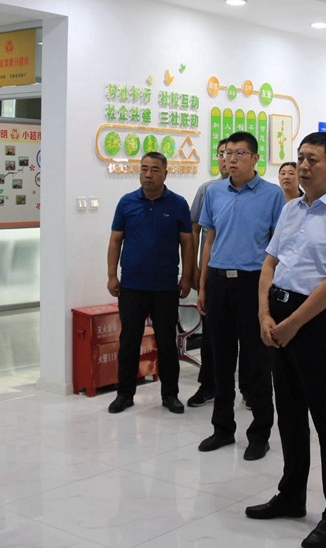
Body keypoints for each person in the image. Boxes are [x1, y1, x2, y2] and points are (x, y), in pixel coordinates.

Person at [246, 132, 326, 548]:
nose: (304, 166)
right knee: (290, 412)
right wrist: (264, 313)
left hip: (316, 321)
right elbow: (270, 263)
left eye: (313, 159)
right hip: (279, 314)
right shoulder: (291, 208)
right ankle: (292, 495)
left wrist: (293, 323)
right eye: (300, 158)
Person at [197, 131, 284, 461]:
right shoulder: (213, 192)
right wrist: (203, 285)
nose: (230, 159)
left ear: (255, 158)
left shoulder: (272, 195)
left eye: (239, 153)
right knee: (220, 360)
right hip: (219, 282)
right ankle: (222, 429)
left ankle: (259, 434)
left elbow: (278, 247)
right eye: (226, 153)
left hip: (253, 283)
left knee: (256, 362)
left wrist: (270, 292)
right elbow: (209, 239)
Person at [106, 152, 192, 414]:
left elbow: (187, 243)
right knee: (129, 341)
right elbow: (115, 240)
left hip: (165, 286)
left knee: (166, 343)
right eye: (144, 168)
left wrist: (187, 277)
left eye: (154, 169)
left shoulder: (178, 204)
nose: (148, 174)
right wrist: (112, 275)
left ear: (165, 173)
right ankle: (124, 394)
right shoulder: (127, 202)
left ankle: (170, 394)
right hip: (132, 285)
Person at [185, 139, 229, 408]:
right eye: (222, 154)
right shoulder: (208, 190)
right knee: (212, 335)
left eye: (233, 153)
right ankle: (208, 385)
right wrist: (193, 269)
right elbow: (194, 231)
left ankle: (249, 389)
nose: (226, 159)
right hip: (212, 274)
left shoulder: (264, 194)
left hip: (247, 276)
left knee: (248, 338)